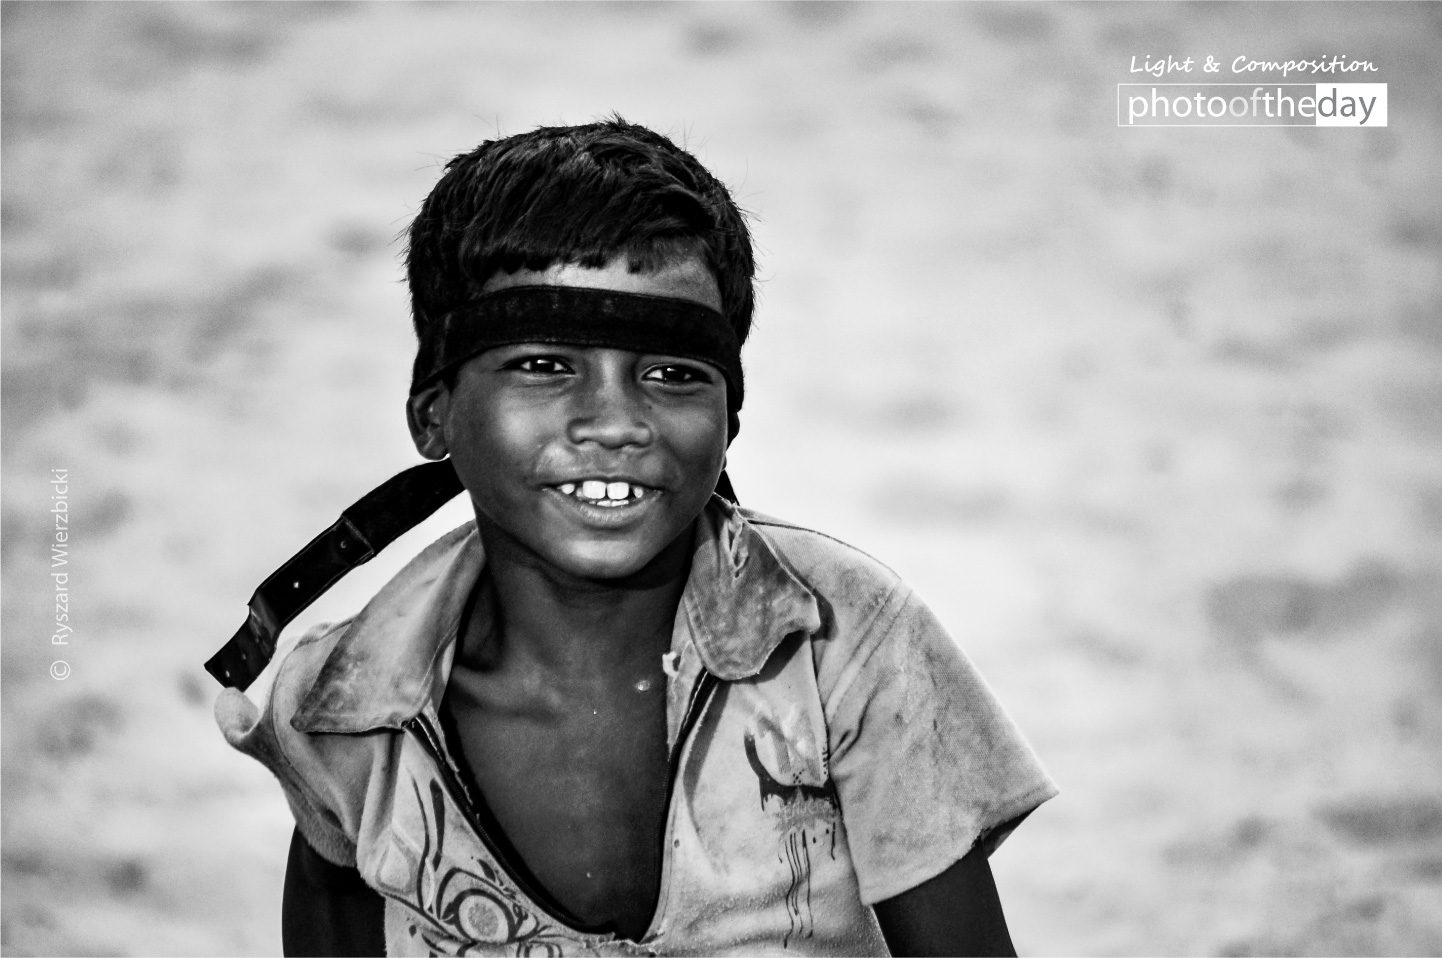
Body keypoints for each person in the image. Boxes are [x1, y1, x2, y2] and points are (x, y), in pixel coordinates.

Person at [212, 118, 1057, 957]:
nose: (614, 422)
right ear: (434, 413)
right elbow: (332, 897)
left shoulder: (843, 642)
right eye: (543, 364)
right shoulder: (345, 711)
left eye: (671, 373)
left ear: (728, 417)